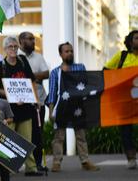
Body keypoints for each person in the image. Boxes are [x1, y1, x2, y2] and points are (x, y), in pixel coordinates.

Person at [46, 42, 100, 172]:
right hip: (63, 107)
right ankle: (56, 162)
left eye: (71, 51)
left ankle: (85, 161)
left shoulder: (80, 68)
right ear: (60, 54)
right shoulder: (55, 72)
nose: (70, 53)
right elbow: (53, 91)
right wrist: (51, 110)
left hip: (78, 107)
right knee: (59, 136)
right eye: (66, 51)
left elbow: (86, 87)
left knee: (81, 135)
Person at [0, 36, 42, 176]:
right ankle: (7, 168)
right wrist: (13, 97)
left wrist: (36, 98)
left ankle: (31, 168)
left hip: (26, 107)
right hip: (9, 109)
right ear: (5, 49)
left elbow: (31, 81)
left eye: (15, 46)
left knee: (27, 139)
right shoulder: (1, 66)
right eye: (10, 47)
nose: (14, 49)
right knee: (8, 140)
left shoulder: (23, 61)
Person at [103, 30, 138, 169]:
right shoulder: (122, 56)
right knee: (125, 129)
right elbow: (106, 70)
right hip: (125, 100)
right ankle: (131, 158)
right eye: (136, 38)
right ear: (130, 41)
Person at [18, 31, 50, 171]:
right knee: (23, 133)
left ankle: (37, 163)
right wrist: (33, 78)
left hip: (38, 101)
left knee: (38, 132)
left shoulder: (38, 57)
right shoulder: (16, 57)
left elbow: (46, 73)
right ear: (21, 41)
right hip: (21, 101)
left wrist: (29, 77)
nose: (33, 41)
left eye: (33, 39)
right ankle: (21, 163)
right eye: (29, 39)